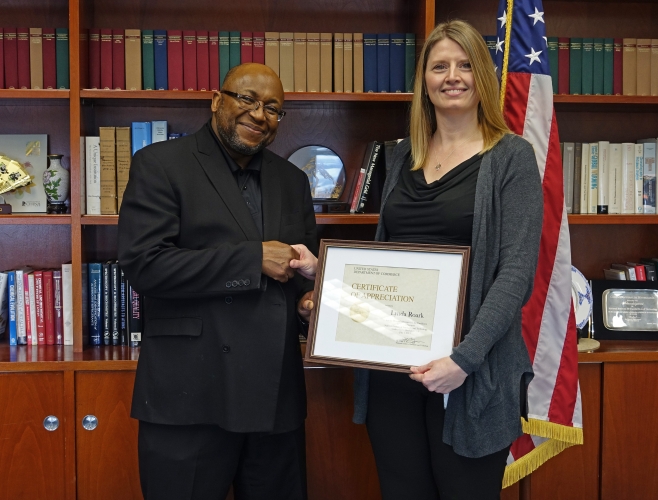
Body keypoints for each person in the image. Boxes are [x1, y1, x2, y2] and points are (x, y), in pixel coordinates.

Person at [292, 19, 544, 500]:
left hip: (472, 372)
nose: (453, 76)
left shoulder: (511, 157)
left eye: (466, 65)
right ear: (424, 81)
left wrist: (462, 361)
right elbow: (390, 266)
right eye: (440, 66)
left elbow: (514, 276)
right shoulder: (403, 156)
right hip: (393, 369)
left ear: (483, 78)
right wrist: (324, 277)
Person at [118, 63, 317, 500]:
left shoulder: (293, 181)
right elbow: (144, 265)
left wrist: (308, 303)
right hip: (190, 396)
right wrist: (251, 259)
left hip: (274, 398)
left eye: (273, 108)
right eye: (246, 99)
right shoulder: (160, 164)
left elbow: (301, 274)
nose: (259, 115)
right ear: (216, 100)